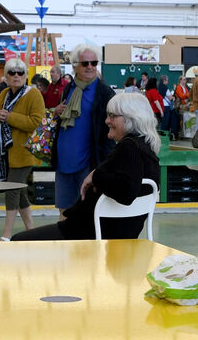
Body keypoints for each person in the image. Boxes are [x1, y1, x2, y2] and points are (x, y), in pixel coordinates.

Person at [13, 90, 162, 241]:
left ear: (132, 119)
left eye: (112, 116)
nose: (107, 121)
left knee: (18, 242)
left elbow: (126, 192)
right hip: (113, 237)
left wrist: (96, 176)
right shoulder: (147, 151)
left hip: (86, 237)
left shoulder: (129, 148)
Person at [0, 59, 45, 237]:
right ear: (6, 76)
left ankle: (6, 234)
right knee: (20, 192)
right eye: (12, 72)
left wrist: (9, 117)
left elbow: (36, 122)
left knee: (11, 190)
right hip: (6, 153)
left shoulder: (33, 95)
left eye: (20, 72)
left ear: (26, 76)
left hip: (25, 152)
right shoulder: (4, 93)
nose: (16, 76)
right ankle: (32, 231)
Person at [51, 46, 113, 212]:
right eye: (85, 63)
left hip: (88, 164)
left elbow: (110, 134)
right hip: (64, 162)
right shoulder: (69, 89)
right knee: (64, 211)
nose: (90, 66)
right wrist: (55, 111)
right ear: (75, 66)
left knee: (86, 212)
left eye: (94, 62)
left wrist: (102, 166)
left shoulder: (105, 94)